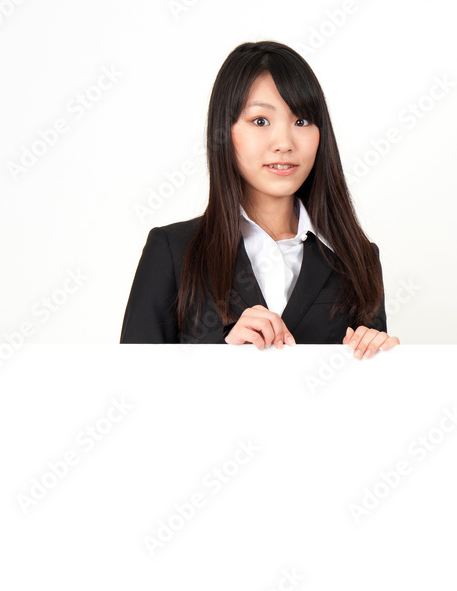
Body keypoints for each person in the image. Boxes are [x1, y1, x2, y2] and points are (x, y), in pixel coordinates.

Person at [121, 41, 397, 358]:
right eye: (261, 121)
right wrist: (221, 351)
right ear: (224, 131)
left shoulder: (358, 258)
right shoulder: (173, 252)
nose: (284, 142)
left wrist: (383, 359)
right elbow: (133, 383)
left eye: (302, 121)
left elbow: (369, 396)